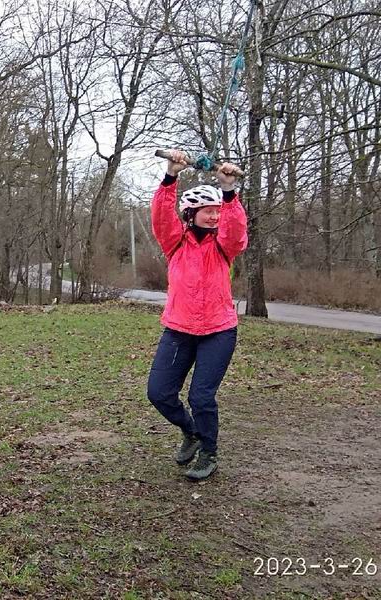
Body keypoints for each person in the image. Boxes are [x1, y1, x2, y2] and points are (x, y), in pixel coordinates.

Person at [146, 150, 248, 480]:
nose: (214, 216)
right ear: (190, 214)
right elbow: (162, 217)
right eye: (207, 211)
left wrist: (229, 191)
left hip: (218, 331)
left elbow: (235, 229)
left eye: (216, 211)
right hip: (179, 329)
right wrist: (171, 176)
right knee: (159, 393)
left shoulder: (224, 246)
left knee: (201, 396)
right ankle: (190, 432)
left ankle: (209, 452)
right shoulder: (175, 243)